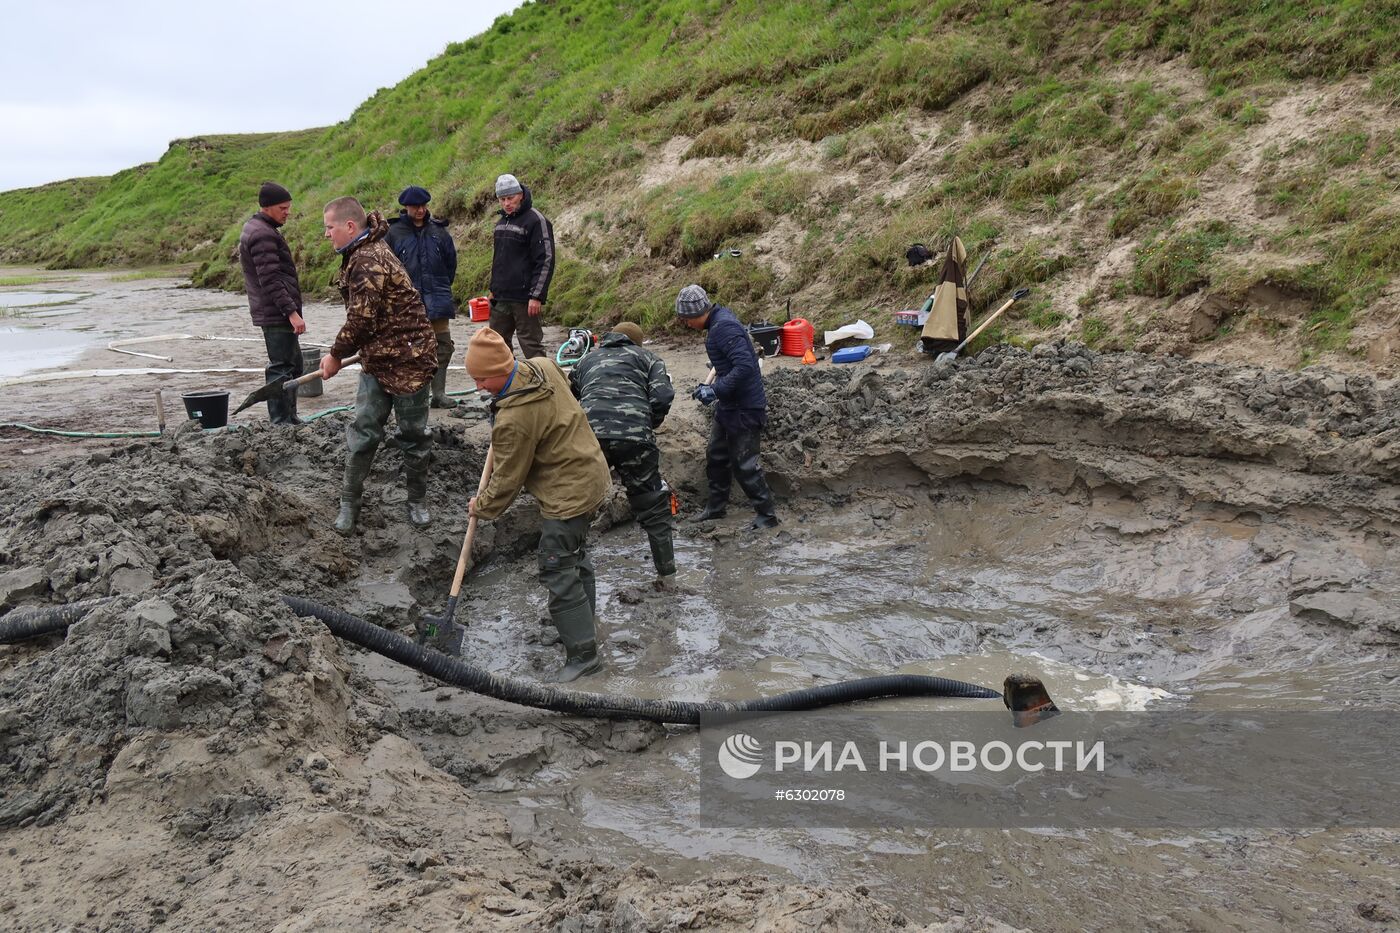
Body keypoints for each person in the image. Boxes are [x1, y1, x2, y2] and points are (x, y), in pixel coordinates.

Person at [465, 326, 611, 682]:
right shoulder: (543, 365)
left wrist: (480, 506)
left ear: (501, 370)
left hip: (569, 492)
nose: (479, 387)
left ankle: (584, 656)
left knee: (557, 566)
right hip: (592, 471)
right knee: (575, 556)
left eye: (482, 380)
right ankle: (583, 627)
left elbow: (508, 481)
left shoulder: (514, 420)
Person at [319, 197, 438, 535]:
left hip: (410, 359)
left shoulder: (368, 259)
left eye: (329, 227)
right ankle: (349, 502)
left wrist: (335, 354)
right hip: (378, 358)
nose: (326, 234)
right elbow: (369, 320)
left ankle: (417, 500)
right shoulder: (358, 253)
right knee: (364, 430)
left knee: (413, 435)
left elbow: (362, 319)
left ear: (350, 226)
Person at [569, 322, 677, 587]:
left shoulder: (586, 360)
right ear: (636, 343)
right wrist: (650, 421)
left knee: (577, 505)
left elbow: (570, 397)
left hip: (591, 440)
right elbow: (663, 395)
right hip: (635, 438)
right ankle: (668, 577)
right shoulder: (649, 358)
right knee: (653, 504)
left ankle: (571, 572)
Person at [674, 284, 779, 529]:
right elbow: (731, 361)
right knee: (717, 456)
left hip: (745, 407)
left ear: (699, 312)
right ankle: (716, 508)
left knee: (745, 464)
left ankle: (767, 515)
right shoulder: (719, 323)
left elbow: (745, 367)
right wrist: (711, 381)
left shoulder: (724, 327)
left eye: (688, 320)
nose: (687, 324)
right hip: (729, 406)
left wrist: (715, 390)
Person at [386, 185, 460, 409]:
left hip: (438, 299)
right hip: (407, 304)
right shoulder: (393, 233)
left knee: (443, 346)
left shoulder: (439, 231)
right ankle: (415, 396)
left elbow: (450, 265)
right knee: (412, 349)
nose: (420, 210)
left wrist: (441, 287)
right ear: (406, 207)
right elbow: (386, 269)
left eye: (423, 205)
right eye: (415, 206)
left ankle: (439, 394)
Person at [238, 181, 305, 425]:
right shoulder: (262, 234)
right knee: (281, 368)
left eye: (288, 207)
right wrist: (291, 312)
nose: (287, 212)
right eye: (283, 208)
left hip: (275, 311)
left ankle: (289, 416)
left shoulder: (261, 228)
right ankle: (281, 420)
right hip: (276, 313)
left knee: (292, 365)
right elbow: (270, 279)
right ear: (267, 207)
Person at [488, 173, 554, 361]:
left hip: (525, 298)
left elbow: (545, 259)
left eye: (510, 198)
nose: (507, 203)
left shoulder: (536, 221)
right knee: (498, 344)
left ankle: (543, 384)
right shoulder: (501, 223)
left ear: (521, 195)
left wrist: (537, 296)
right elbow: (498, 259)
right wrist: (493, 289)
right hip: (501, 297)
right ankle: (506, 387)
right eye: (502, 199)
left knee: (531, 344)